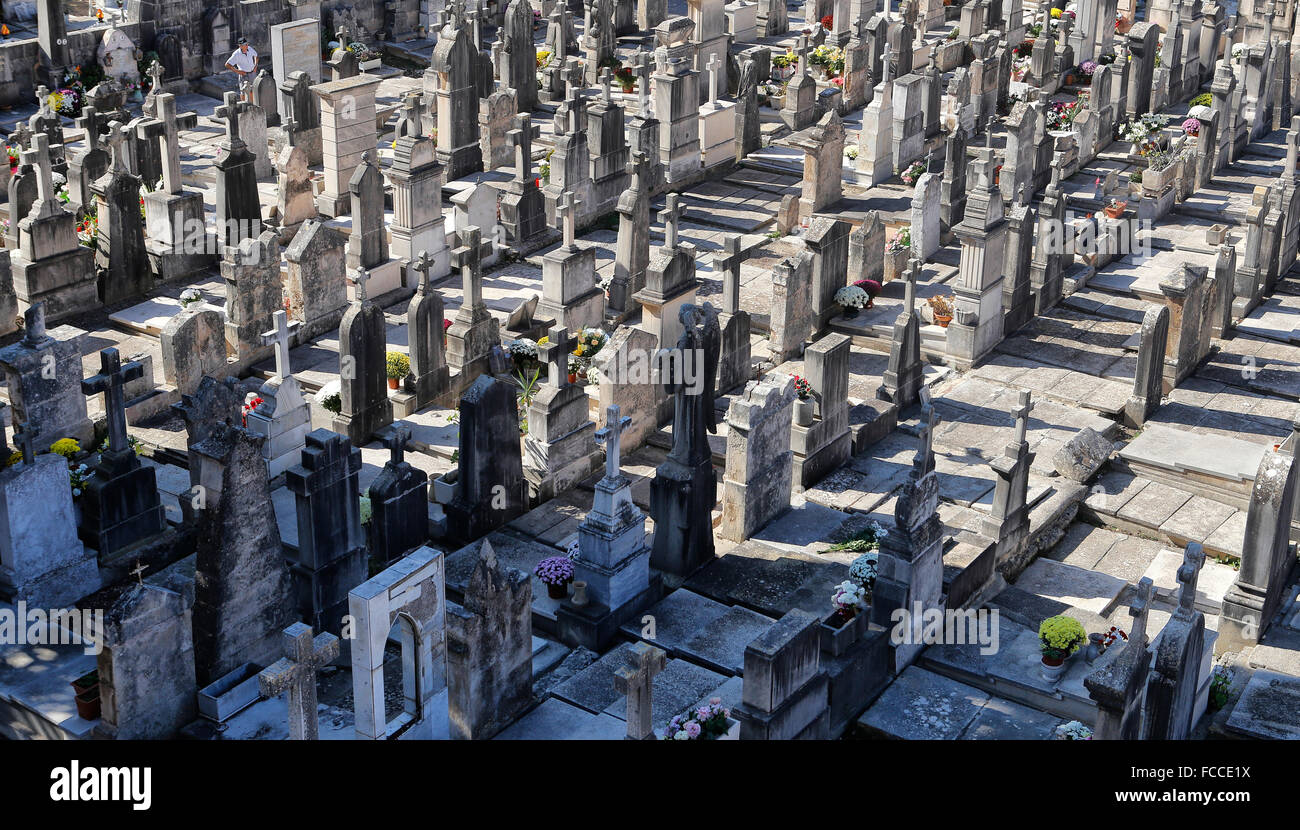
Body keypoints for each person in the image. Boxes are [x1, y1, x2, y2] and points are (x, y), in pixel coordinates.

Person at [225, 37, 258, 102]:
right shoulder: (236, 54)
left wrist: (255, 66)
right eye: (244, 45)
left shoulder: (250, 49)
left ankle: (254, 105)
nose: (246, 46)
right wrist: (237, 71)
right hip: (244, 75)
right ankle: (244, 106)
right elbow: (227, 64)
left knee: (254, 90)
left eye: (247, 44)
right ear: (240, 46)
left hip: (252, 73)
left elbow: (256, 56)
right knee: (243, 92)